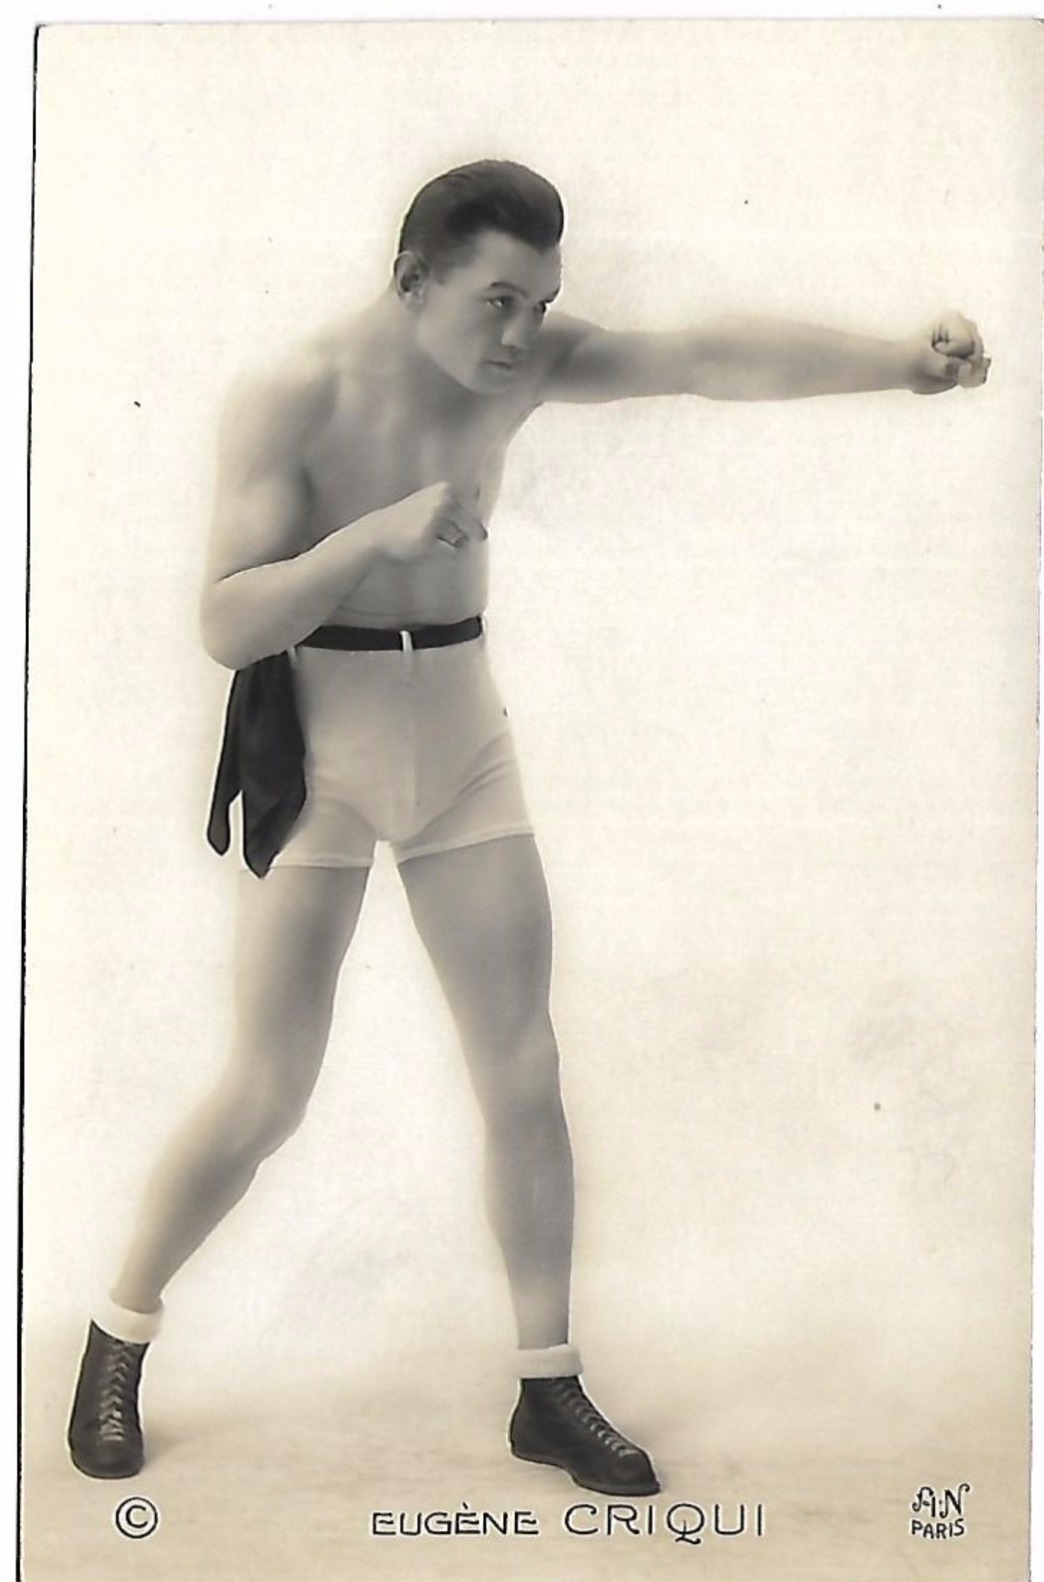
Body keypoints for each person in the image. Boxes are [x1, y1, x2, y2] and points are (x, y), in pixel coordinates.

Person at [66, 159, 989, 1498]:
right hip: (314, 748)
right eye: (500, 301)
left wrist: (900, 362)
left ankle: (545, 1388)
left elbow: (705, 359)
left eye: (542, 305)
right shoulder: (295, 394)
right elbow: (224, 621)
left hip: (460, 736)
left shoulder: (524, 361)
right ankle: (118, 1333)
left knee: (522, 1070)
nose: (522, 336)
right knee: (268, 1092)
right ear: (411, 280)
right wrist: (367, 539)